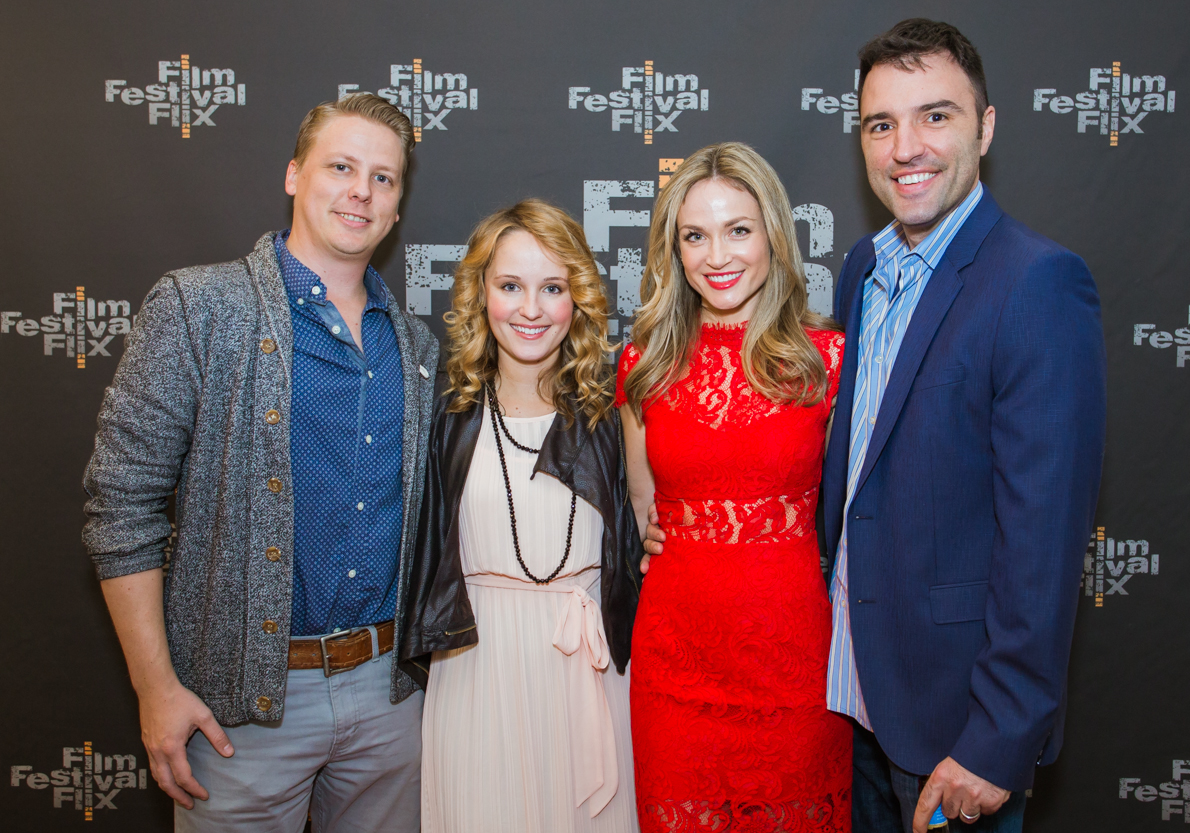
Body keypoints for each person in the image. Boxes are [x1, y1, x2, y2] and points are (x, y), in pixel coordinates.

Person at [82, 94, 442, 832]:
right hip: (242, 706)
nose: (360, 192)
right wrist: (156, 687)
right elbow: (121, 506)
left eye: (383, 178)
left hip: (390, 697)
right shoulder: (199, 306)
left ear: (398, 202)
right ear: (293, 175)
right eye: (341, 166)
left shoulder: (417, 345)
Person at [823, 19, 1105, 833]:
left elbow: (1044, 541)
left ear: (985, 126)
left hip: (956, 730)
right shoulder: (863, 268)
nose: (906, 146)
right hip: (856, 704)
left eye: (935, 116)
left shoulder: (1038, 283)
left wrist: (996, 740)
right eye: (882, 124)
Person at [618, 142, 851, 832]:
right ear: (674, 248)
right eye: (695, 235)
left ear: (774, 235)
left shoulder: (826, 361)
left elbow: (853, 519)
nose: (717, 255)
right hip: (673, 674)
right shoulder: (643, 364)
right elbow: (640, 508)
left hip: (795, 672)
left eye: (738, 230)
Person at [399, 199, 643, 832]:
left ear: (578, 300)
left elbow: (652, 513)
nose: (530, 310)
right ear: (482, 294)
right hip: (477, 670)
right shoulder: (443, 413)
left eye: (552, 288)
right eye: (510, 286)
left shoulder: (615, 413)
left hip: (588, 670)